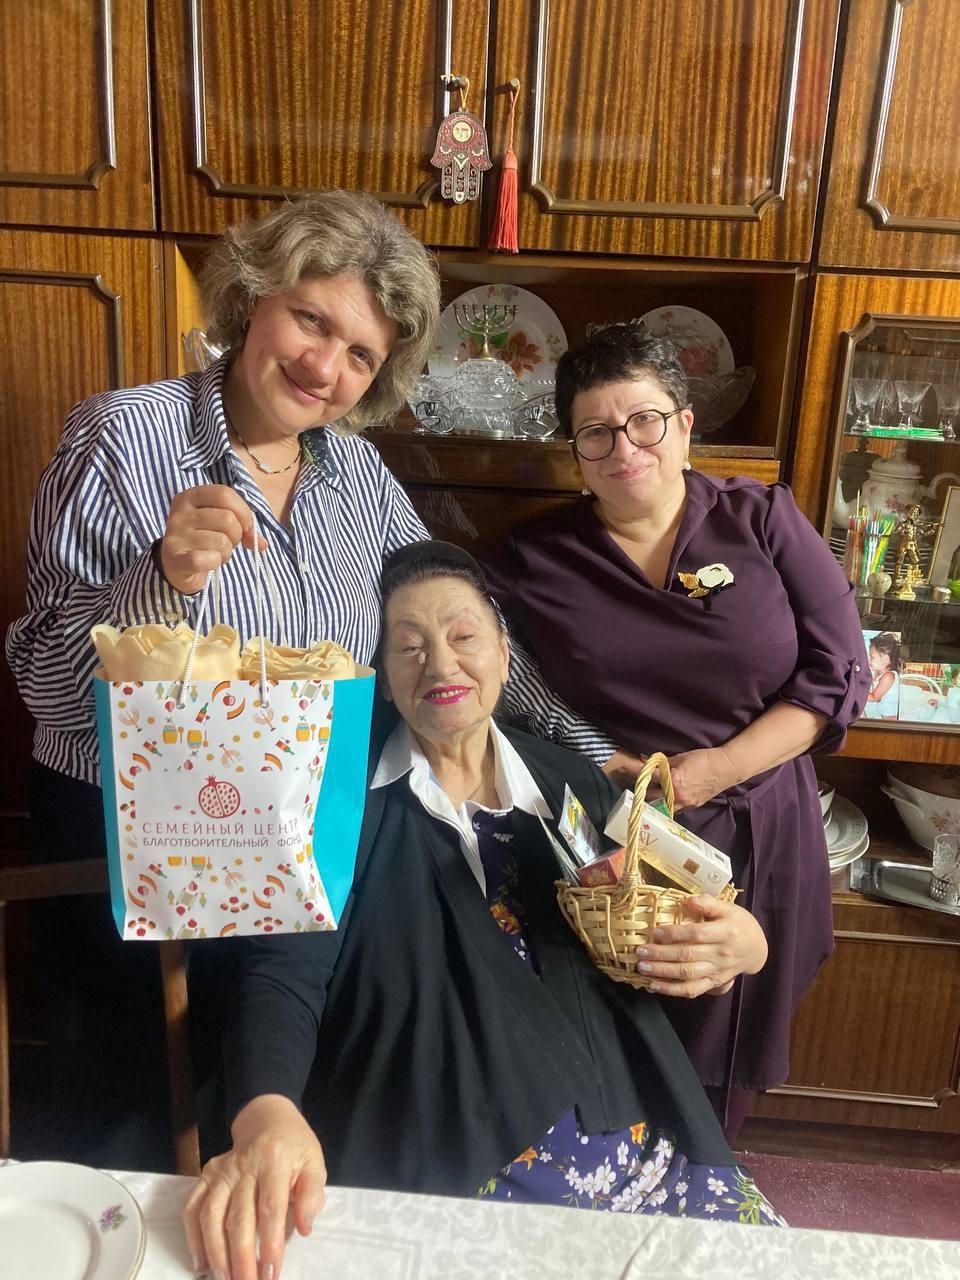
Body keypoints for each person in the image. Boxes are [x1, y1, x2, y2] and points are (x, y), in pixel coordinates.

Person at [183, 540, 782, 1280]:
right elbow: (283, 975)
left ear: (503, 653)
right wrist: (266, 1110)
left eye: (463, 636)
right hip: (453, 1149)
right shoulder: (331, 803)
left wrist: (743, 945)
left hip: (636, 1129)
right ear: (382, 677)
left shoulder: (575, 784)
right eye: (409, 647)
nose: (440, 665)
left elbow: (671, 911)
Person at [5, 189, 443, 1165]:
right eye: (311, 319)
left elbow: (444, 620)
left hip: (296, 850)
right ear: (254, 297)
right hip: (131, 854)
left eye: (360, 354)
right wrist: (158, 580)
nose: (324, 366)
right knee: (129, 1138)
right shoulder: (122, 437)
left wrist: (578, 747)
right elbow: (44, 684)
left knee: (267, 1124)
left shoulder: (359, 476)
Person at [482, 324, 871, 1137]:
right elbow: (500, 694)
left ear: (685, 424)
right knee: (627, 1051)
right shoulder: (533, 559)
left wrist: (718, 769)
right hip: (626, 838)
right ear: (574, 451)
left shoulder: (762, 520)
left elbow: (839, 673)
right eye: (596, 431)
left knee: (727, 1063)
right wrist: (606, 763)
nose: (624, 447)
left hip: (764, 823)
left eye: (645, 421)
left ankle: (710, 1181)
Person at [864, 631, 901, 721]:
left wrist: (857, 692)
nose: (869, 661)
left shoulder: (889, 676)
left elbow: (874, 697)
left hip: (889, 718)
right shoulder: (877, 672)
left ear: (885, 659)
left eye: (872, 657)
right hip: (880, 710)